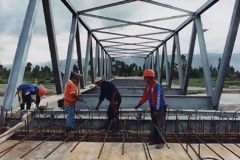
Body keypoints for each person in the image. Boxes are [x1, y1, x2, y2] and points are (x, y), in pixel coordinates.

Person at [134, 69, 167, 149]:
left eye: (145, 78)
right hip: (153, 108)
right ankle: (155, 140)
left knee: (160, 125)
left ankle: (161, 142)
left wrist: (157, 109)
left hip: (160, 108)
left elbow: (159, 98)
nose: (144, 80)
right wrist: (139, 105)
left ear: (150, 77)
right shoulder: (148, 86)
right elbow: (145, 97)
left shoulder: (157, 85)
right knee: (154, 125)